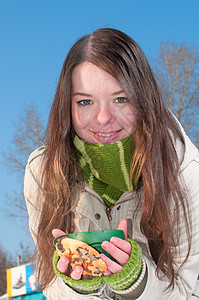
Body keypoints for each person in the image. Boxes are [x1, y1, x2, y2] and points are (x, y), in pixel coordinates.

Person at [24, 28, 199, 299]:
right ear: (67, 106)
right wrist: (79, 285)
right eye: (85, 102)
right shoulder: (44, 172)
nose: (103, 118)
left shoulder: (183, 170)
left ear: (143, 99)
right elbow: (50, 282)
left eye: (120, 99)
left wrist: (136, 280)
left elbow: (189, 291)